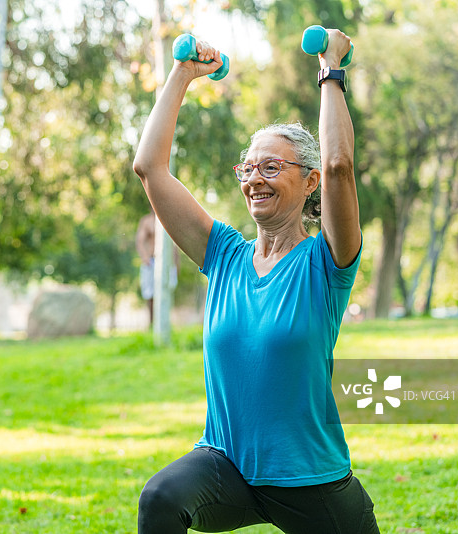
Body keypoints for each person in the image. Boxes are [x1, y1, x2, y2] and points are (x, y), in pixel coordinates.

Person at [131, 28, 378, 534]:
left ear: (308, 182)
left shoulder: (327, 262)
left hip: (311, 480)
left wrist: (332, 71)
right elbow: (150, 168)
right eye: (248, 167)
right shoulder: (222, 255)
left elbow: (338, 165)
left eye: (271, 166)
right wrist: (183, 75)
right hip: (226, 470)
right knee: (159, 498)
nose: (254, 178)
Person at [135, 208, 179, 327]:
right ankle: (151, 323)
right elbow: (140, 241)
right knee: (150, 294)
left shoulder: (169, 220)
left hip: (168, 263)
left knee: (167, 292)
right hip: (152, 261)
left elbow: (175, 245)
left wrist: (176, 264)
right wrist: (145, 258)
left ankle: (165, 323)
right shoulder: (147, 221)